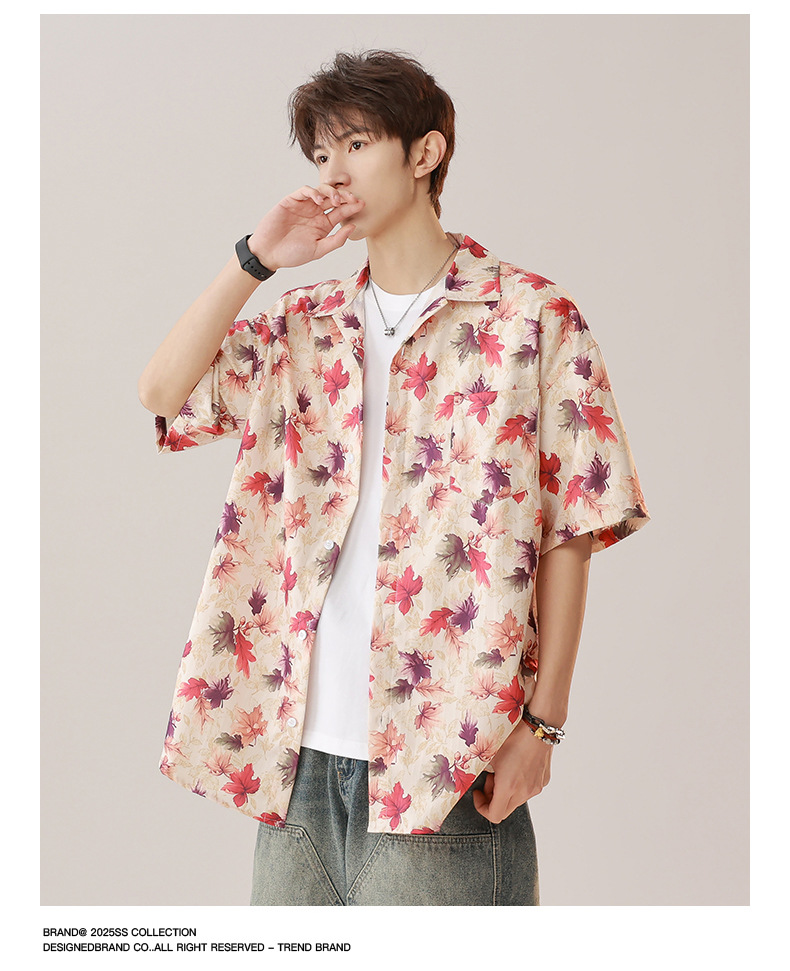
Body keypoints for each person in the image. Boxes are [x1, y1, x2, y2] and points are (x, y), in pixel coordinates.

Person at [139, 49, 650, 907]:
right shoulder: (305, 325)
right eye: (320, 153)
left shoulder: (530, 319)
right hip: (298, 771)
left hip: (444, 762)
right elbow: (162, 393)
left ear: (425, 153)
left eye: (356, 144)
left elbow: (575, 526)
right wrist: (257, 259)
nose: (332, 174)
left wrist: (544, 723)